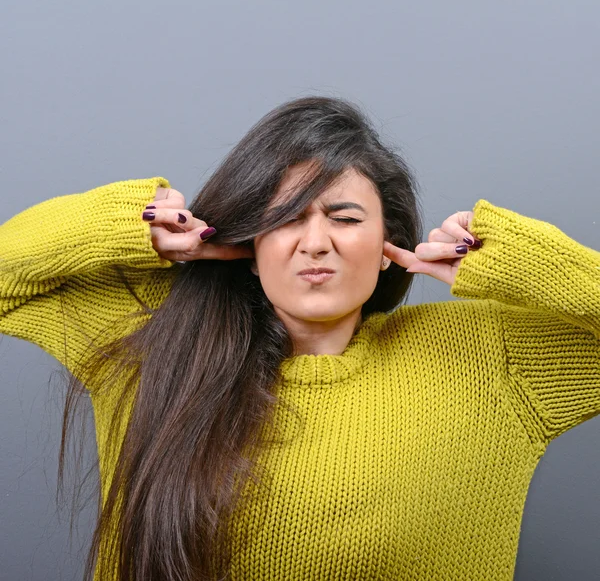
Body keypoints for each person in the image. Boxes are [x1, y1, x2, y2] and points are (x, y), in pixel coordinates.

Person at [0, 96, 598, 581]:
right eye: (284, 218)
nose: (315, 243)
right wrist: (134, 224)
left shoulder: (486, 357)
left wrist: (521, 258)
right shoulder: (152, 337)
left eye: (344, 218)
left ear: (389, 246)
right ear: (249, 249)